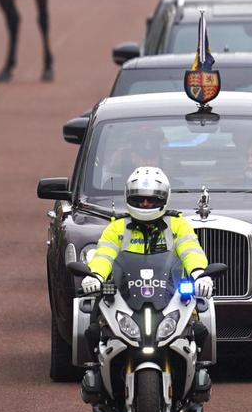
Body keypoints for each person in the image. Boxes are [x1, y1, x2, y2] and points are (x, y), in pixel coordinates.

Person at [76, 166, 212, 397]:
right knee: (92, 331)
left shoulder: (178, 225)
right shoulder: (117, 227)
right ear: (129, 198)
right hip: (124, 296)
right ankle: (96, 377)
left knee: (199, 330)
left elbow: (191, 251)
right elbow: (104, 256)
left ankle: (196, 381)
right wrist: (95, 276)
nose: (146, 205)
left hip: (169, 295)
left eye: (151, 200)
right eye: (140, 200)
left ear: (163, 199)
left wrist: (200, 273)